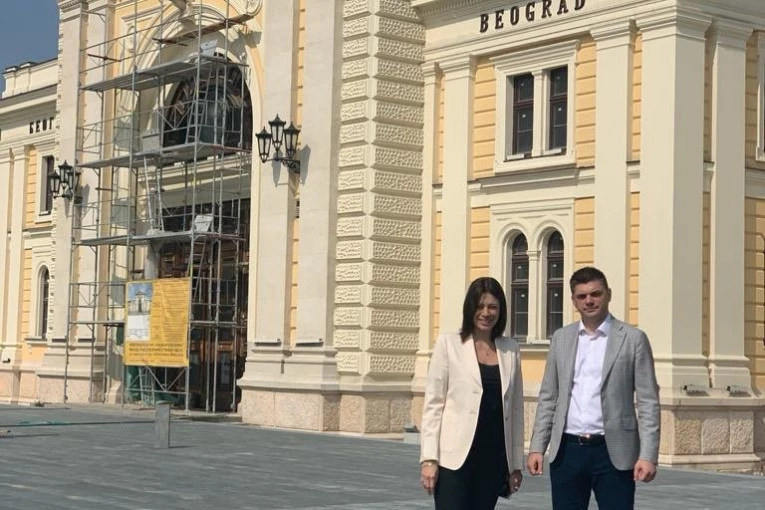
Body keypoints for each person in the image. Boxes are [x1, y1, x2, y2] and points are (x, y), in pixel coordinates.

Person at [527, 266, 660, 510]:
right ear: (574, 301)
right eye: (582, 296)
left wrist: (648, 455)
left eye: (595, 294)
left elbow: (648, 401)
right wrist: (537, 447)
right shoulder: (561, 338)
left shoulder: (633, 339)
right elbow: (549, 397)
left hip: (613, 451)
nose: (589, 301)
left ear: (608, 294)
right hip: (567, 451)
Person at [420, 276, 524, 509]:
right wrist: (429, 459)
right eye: (480, 306)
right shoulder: (449, 344)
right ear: (470, 309)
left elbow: (516, 411)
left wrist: (516, 465)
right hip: (454, 461)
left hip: (493, 460)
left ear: (501, 310)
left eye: (492, 307)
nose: (486, 313)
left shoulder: (510, 350)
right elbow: (433, 405)